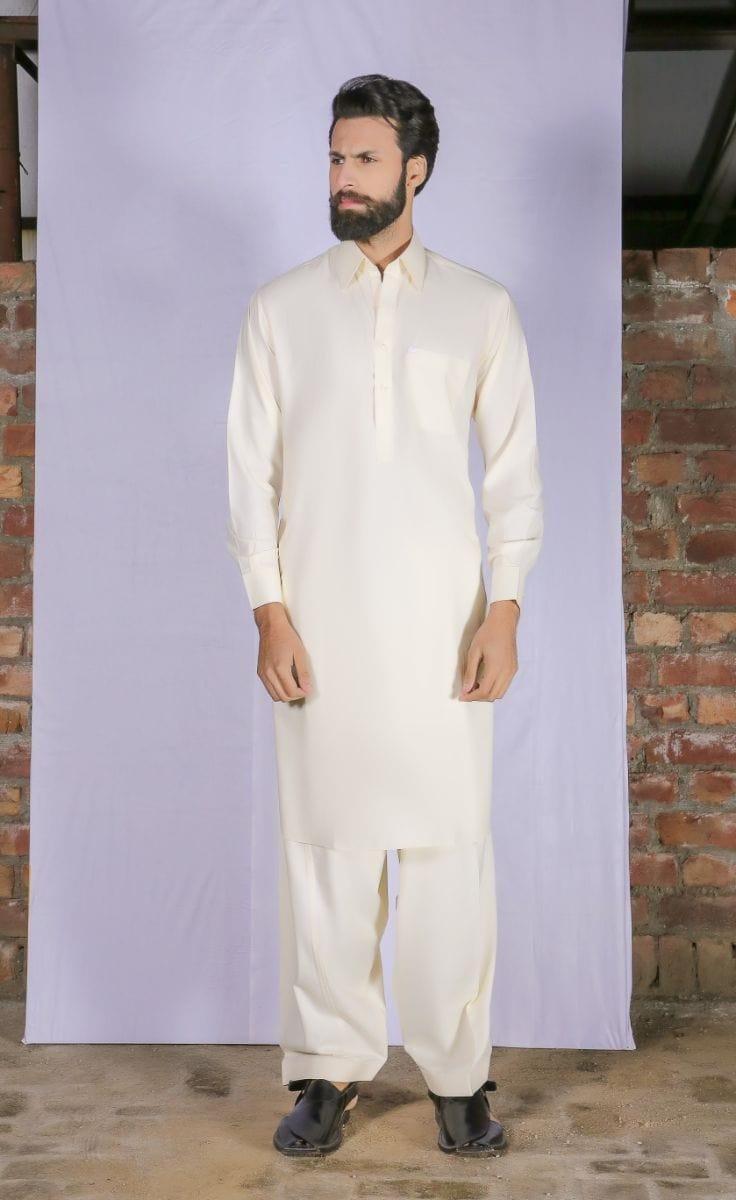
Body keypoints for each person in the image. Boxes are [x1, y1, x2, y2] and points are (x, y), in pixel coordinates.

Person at [225, 73, 544, 1158]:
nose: (343, 178)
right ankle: (326, 1071)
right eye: (334, 157)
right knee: (326, 857)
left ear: (417, 169)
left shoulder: (479, 308)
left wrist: (503, 610)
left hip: (444, 632)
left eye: (363, 159)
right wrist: (269, 612)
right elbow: (249, 475)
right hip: (318, 629)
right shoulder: (279, 309)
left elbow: (514, 476)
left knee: (450, 858)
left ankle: (459, 1078)